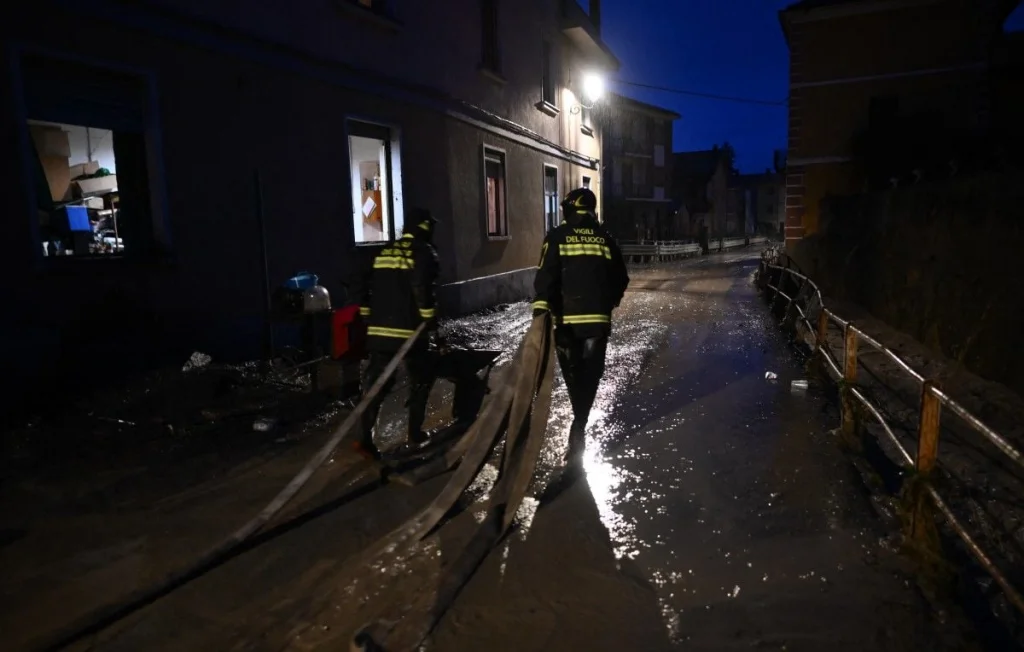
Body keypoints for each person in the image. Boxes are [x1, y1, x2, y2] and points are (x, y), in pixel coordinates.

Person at [532, 187, 629, 465]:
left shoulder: (557, 236)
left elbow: (545, 277)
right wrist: (608, 303)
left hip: (566, 324)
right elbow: (621, 278)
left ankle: (579, 426)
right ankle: (579, 426)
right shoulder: (606, 239)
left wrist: (542, 309)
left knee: (574, 376)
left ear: (569, 209)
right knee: (591, 376)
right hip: (597, 324)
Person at [355, 208, 443, 460]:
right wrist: (430, 322)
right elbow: (423, 290)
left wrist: (367, 314)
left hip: (379, 331)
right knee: (421, 378)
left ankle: (364, 440)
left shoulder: (382, 250)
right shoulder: (425, 253)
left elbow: (359, 283)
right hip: (409, 331)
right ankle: (415, 433)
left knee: (377, 385)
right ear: (426, 227)